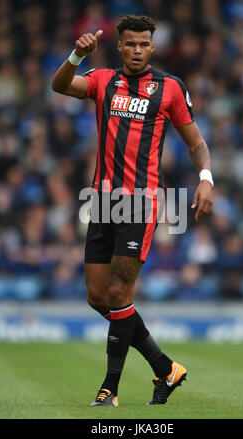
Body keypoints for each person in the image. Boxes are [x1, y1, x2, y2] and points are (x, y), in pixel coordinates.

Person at [52, 15, 213, 407]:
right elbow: (59, 85)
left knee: (120, 292)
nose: (138, 50)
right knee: (98, 297)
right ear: (120, 46)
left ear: (152, 47)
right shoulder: (104, 80)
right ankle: (165, 368)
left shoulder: (170, 87)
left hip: (140, 203)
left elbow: (195, 141)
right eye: (131, 44)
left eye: (144, 44)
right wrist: (76, 54)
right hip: (102, 201)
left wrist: (206, 177)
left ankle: (110, 390)